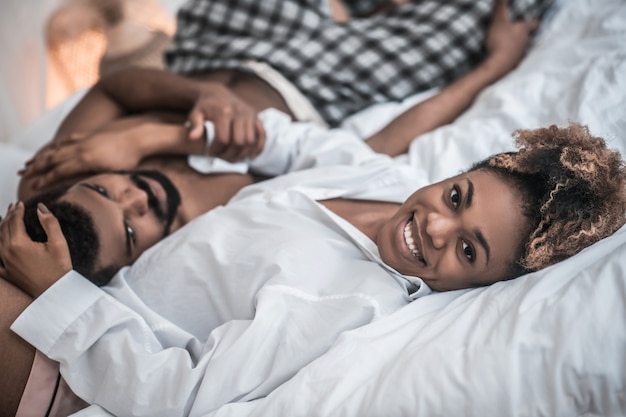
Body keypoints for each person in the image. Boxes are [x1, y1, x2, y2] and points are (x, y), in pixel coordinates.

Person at [2, 111, 625, 415]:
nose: (435, 226)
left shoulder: (350, 302)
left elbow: (182, 398)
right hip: (98, 282)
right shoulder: (384, 178)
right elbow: (297, 142)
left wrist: (59, 295)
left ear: (485, 282)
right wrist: (217, 133)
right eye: (456, 196)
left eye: (469, 250)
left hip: (86, 367)